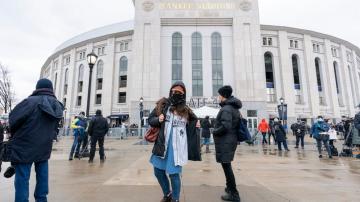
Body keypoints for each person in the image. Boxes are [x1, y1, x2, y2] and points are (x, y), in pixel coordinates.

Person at [9, 78, 64, 202]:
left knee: (22, 179)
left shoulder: (29, 102)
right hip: (44, 146)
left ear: (37, 88)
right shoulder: (57, 105)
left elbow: (13, 120)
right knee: (42, 176)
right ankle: (41, 199)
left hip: (24, 147)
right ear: (51, 89)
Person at [149, 81, 201, 202]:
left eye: (179, 92)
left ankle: (175, 199)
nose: (176, 94)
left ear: (183, 94)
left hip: (177, 148)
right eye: (174, 91)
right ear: (170, 91)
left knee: (173, 174)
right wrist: (158, 119)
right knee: (158, 171)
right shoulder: (162, 105)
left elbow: (194, 122)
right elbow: (151, 120)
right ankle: (168, 194)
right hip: (162, 145)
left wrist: (197, 124)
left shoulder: (186, 110)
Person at [213, 85, 241, 202]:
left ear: (223, 96)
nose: (218, 97)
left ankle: (234, 194)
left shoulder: (226, 109)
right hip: (229, 140)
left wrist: (215, 131)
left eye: (219, 95)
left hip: (226, 141)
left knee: (226, 166)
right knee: (226, 165)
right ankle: (229, 188)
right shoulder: (232, 108)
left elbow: (226, 126)